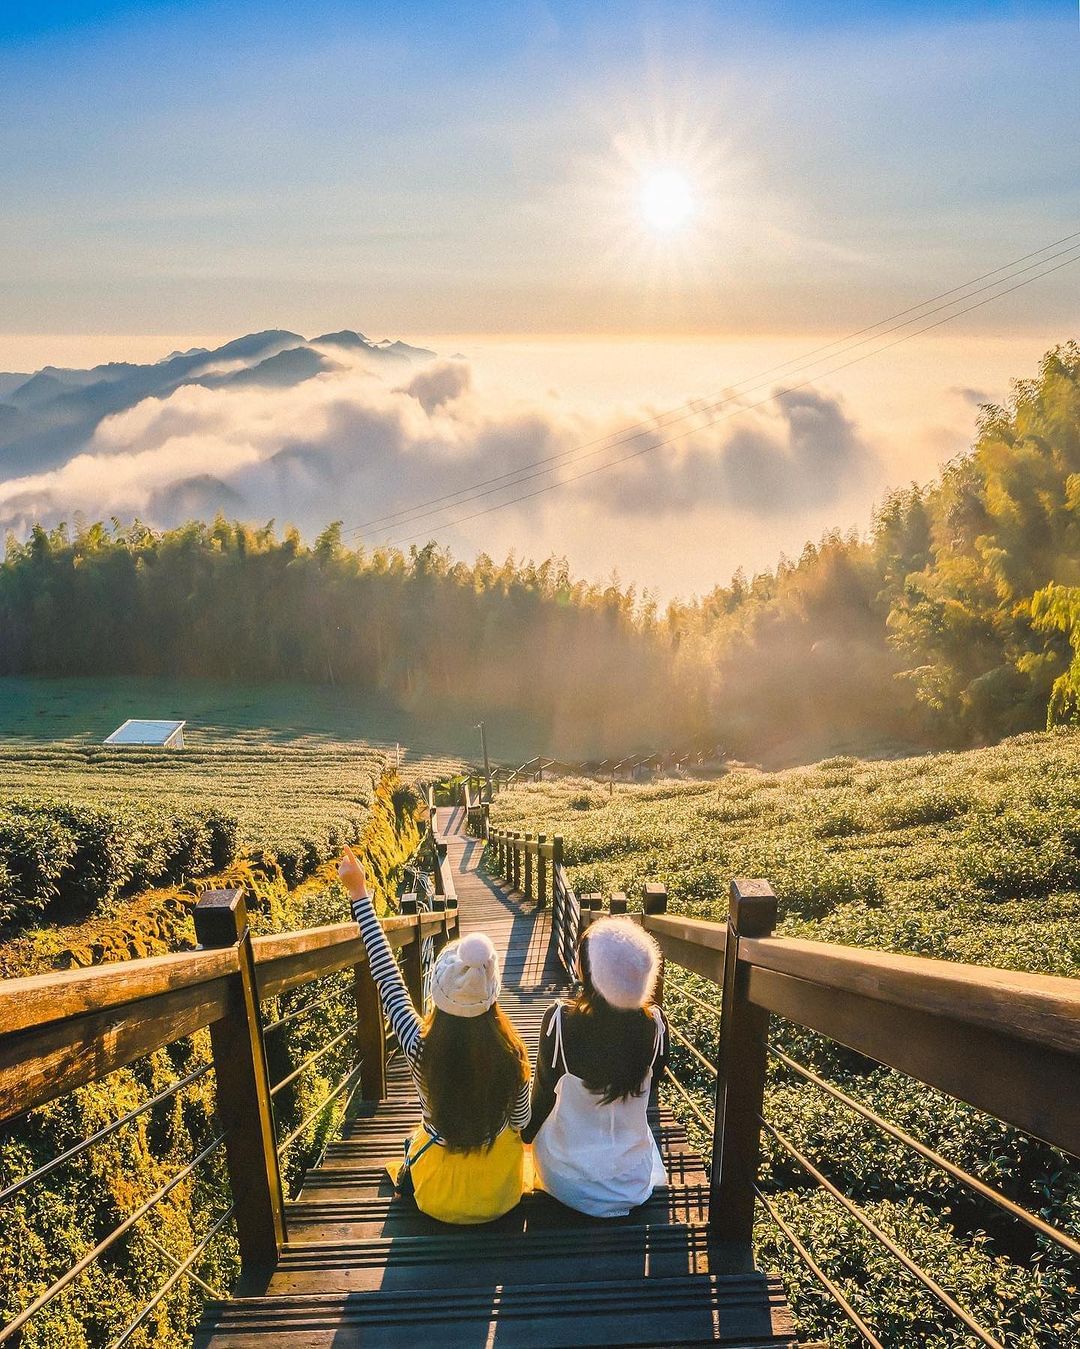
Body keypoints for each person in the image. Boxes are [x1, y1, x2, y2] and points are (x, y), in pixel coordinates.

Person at [338, 845, 531, 1224]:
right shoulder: (512, 1053)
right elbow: (522, 1122)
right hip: (501, 1196)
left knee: (416, 1139)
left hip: (437, 1198)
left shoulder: (418, 1045)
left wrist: (359, 894)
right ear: (491, 996)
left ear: (438, 997)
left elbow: (386, 972)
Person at [524, 915, 668, 1217]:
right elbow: (650, 1090)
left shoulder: (560, 1023)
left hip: (568, 1181)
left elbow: (541, 1097)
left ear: (589, 971)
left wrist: (524, 1138)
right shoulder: (655, 1025)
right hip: (631, 1181)